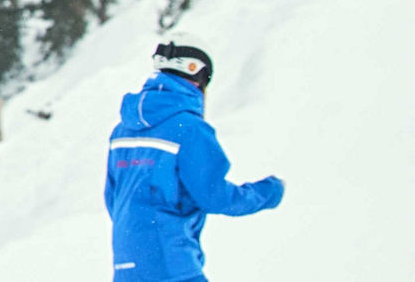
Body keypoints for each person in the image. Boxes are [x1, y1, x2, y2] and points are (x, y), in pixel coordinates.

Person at [105, 36, 284, 282]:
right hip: (172, 266)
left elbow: (113, 200)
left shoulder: (121, 131)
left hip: (125, 266)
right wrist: (269, 192)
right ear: (197, 77)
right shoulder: (189, 129)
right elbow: (215, 196)